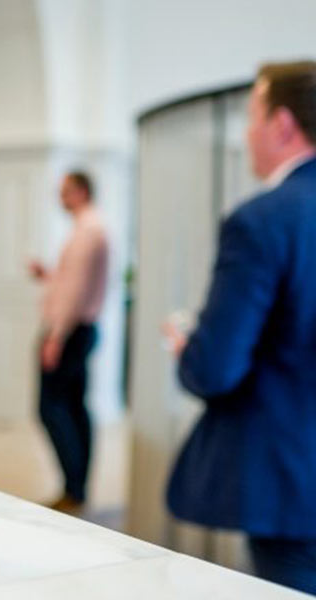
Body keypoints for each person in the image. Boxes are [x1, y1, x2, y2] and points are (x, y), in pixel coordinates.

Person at [163, 61, 316, 595]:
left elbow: (216, 368)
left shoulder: (264, 220)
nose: (246, 134)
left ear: (282, 125)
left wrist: (186, 349)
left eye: (252, 117)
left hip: (294, 486)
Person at [30, 171, 108, 513]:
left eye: (64, 192)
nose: (60, 199)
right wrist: (49, 275)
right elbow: (73, 282)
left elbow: (74, 292)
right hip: (80, 328)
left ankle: (73, 487)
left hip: (69, 330)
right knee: (76, 407)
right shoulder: (91, 228)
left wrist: (55, 336)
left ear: (80, 192)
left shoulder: (87, 232)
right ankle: (76, 487)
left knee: (52, 408)